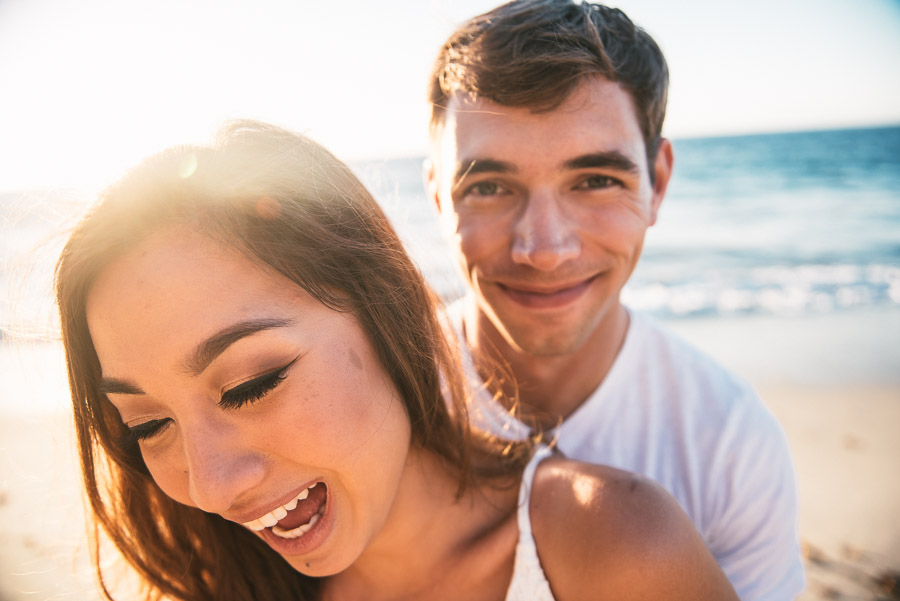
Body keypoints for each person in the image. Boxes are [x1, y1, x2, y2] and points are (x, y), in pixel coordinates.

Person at [55, 121, 737, 601]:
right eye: (147, 424)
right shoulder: (216, 581)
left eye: (250, 384)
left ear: (387, 312)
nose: (209, 486)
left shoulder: (613, 546)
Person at [424, 1, 805, 599]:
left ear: (658, 182)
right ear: (440, 197)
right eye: (490, 186)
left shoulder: (730, 443)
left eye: (596, 180)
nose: (543, 249)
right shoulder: (385, 403)